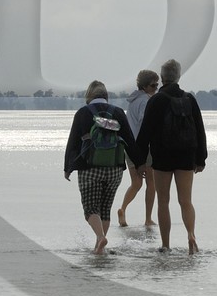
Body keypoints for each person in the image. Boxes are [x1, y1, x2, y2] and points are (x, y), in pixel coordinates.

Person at [135, 58, 207, 254]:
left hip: (162, 156)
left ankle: (166, 245)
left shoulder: (156, 100)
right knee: (186, 201)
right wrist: (201, 159)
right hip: (186, 156)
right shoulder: (189, 99)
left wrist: (140, 161)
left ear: (162, 77)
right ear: (179, 76)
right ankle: (191, 235)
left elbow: (145, 133)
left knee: (163, 201)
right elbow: (200, 130)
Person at [63, 81, 142, 255]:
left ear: (88, 96)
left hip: (89, 168)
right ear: (106, 96)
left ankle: (100, 238)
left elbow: (73, 141)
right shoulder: (118, 112)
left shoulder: (83, 113)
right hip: (114, 168)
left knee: (91, 209)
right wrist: (139, 164)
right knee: (105, 208)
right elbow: (129, 141)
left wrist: (68, 167)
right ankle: (100, 246)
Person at [116, 69, 159, 228]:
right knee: (151, 182)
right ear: (145, 86)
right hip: (144, 146)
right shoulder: (146, 101)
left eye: (157, 85)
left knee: (136, 183)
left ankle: (123, 208)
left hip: (130, 147)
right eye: (153, 85)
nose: (156, 88)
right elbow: (144, 122)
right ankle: (148, 218)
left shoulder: (133, 101)